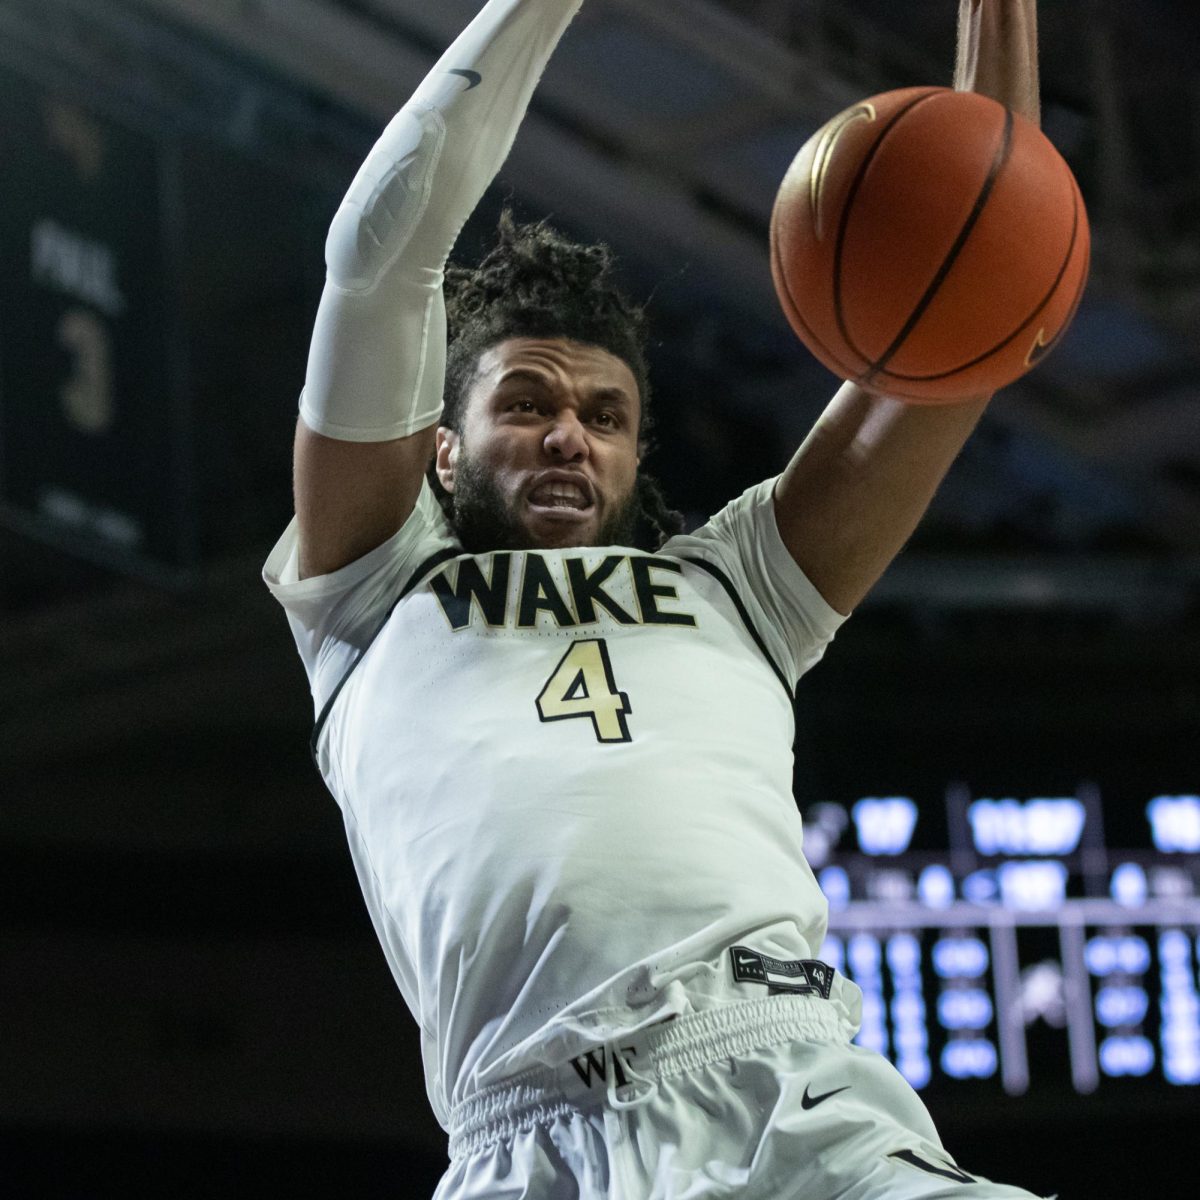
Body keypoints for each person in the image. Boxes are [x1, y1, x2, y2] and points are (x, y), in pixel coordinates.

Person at [264, 1, 1051, 1196]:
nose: (570, 436)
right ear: (440, 449)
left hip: (788, 1106)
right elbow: (381, 252)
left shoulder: (742, 589)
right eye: (526, 403)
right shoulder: (371, 590)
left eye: (607, 415)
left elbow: (977, 296)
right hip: (522, 1144)